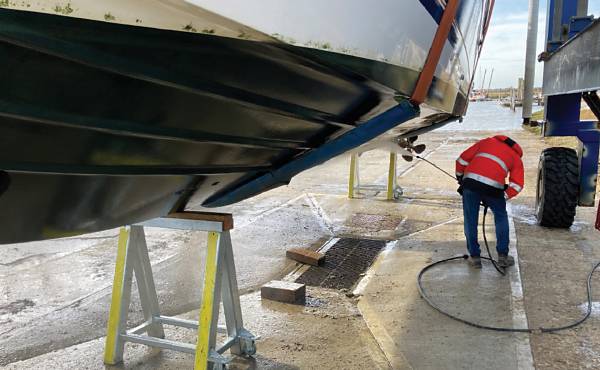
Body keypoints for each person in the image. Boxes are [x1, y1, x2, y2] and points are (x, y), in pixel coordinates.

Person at [455, 135, 524, 269]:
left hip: (470, 185)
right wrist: (503, 196)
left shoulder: (487, 142)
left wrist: (460, 177)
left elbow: (461, 160)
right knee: (501, 217)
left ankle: (475, 258)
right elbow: (517, 185)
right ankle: (503, 257)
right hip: (494, 189)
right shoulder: (516, 158)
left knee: (470, 220)